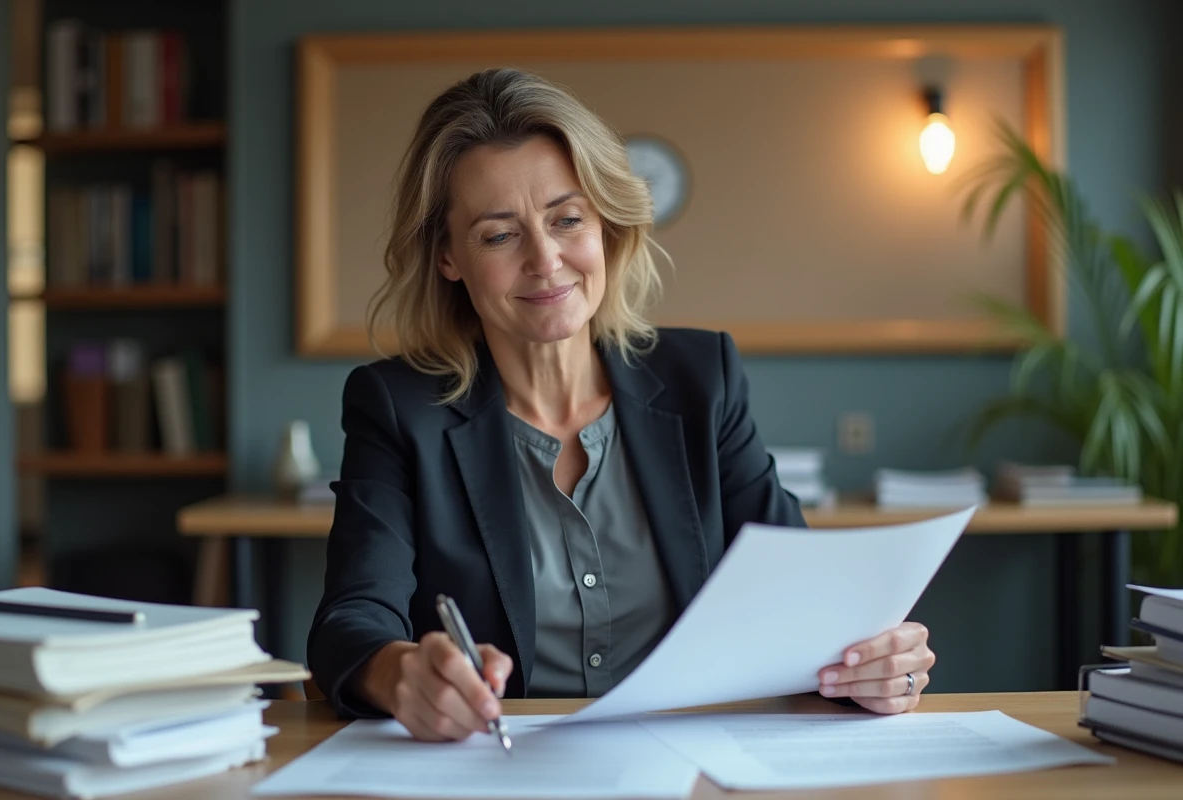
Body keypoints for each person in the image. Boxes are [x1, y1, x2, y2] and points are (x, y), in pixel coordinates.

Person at [308, 67, 935, 742]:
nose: (546, 261)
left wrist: (872, 666)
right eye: (498, 234)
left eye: (567, 219)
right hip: (503, 772)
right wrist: (401, 670)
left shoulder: (703, 379)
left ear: (605, 225)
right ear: (448, 257)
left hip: (696, 763)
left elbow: (805, 611)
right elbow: (350, 624)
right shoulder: (398, 408)